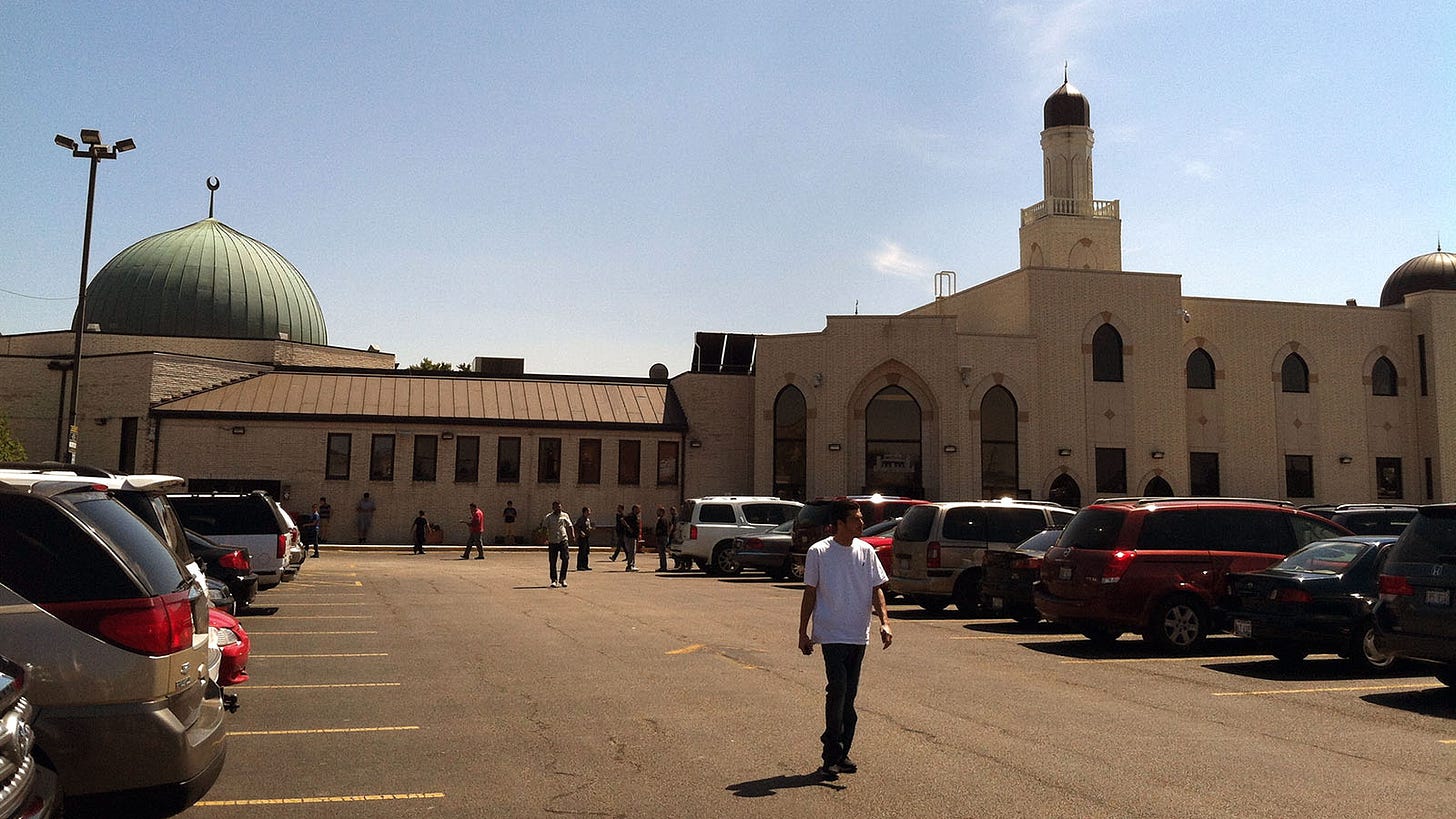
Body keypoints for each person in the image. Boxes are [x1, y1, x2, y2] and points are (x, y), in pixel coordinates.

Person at [797, 498, 892, 780]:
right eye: (856, 519)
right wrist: (803, 632)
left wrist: (885, 622)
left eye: (861, 518)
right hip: (831, 633)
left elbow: (877, 590)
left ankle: (842, 753)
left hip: (857, 634)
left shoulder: (866, 551)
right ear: (839, 524)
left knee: (848, 697)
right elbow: (810, 592)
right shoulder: (819, 552)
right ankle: (830, 755)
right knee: (837, 690)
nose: (861, 523)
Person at [542, 500, 576, 588]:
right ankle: (554, 580)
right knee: (553, 561)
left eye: (560, 506)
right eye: (557, 507)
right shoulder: (548, 517)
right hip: (553, 541)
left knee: (565, 559)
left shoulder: (565, 515)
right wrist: (545, 538)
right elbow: (544, 528)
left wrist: (572, 535)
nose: (559, 508)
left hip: (563, 539)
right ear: (553, 508)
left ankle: (563, 579)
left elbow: (570, 525)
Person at [623, 504, 642, 572]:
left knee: (633, 551)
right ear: (634, 509)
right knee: (631, 551)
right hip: (630, 536)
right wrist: (628, 528)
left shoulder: (636, 516)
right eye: (638, 509)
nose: (639, 510)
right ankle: (630, 566)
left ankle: (632, 564)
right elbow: (622, 519)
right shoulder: (630, 516)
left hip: (634, 536)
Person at [575, 506, 593, 570]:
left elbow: (588, 527)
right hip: (582, 538)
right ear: (584, 512)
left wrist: (590, 528)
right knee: (582, 551)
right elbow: (576, 527)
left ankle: (585, 565)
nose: (589, 512)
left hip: (587, 537)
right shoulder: (581, 519)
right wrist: (581, 532)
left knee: (586, 551)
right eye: (588, 511)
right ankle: (579, 566)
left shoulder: (588, 519)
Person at [654, 506, 671, 572]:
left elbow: (663, 529)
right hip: (662, 537)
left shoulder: (663, 520)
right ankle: (662, 566)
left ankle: (663, 567)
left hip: (662, 537)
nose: (657, 512)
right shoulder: (662, 519)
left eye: (659, 511)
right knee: (661, 553)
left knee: (662, 553)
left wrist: (658, 533)